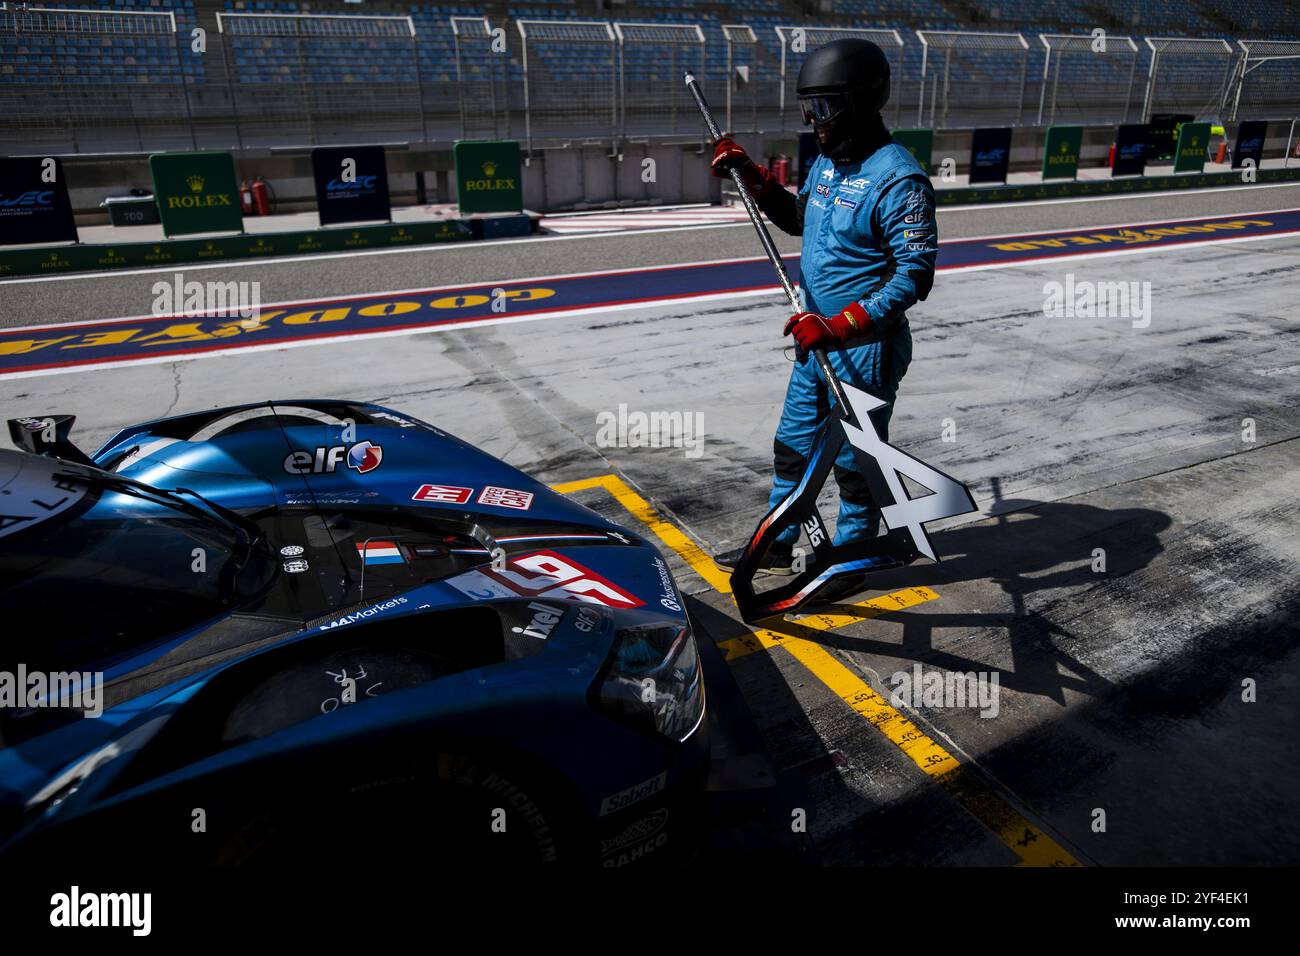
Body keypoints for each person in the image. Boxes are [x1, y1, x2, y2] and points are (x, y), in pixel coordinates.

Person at [710, 38, 938, 602]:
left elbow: (914, 277)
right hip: (816, 340)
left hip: (863, 346)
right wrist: (753, 178)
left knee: (856, 465)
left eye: (823, 108)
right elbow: (798, 220)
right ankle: (780, 539)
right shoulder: (828, 165)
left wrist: (841, 326)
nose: (813, 122)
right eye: (807, 109)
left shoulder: (899, 179)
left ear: (860, 103)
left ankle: (850, 555)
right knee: (792, 444)